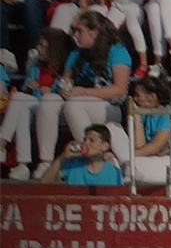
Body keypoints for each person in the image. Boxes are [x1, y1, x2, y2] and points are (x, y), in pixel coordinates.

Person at [35, 10, 133, 167]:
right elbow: (65, 79)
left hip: (108, 106)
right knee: (48, 100)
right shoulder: (76, 52)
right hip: (76, 103)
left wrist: (83, 91)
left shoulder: (117, 50)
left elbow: (119, 89)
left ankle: (93, 155)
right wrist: (65, 88)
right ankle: (45, 162)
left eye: (79, 31)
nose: (75, 34)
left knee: (73, 104)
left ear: (94, 32)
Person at [2, 29, 70, 178]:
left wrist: (45, 91)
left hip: (54, 109)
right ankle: (23, 164)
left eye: (42, 45)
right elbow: (27, 89)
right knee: (20, 103)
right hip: (34, 105)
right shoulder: (36, 66)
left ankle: (2, 144)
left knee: (21, 101)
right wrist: (29, 86)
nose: (38, 48)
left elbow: (62, 92)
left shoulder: (63, 69)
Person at [125, 73, 171, 187]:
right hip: (148, 159)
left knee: (125, 166)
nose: (135, 99)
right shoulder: (145, 114)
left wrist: (126, 156)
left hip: (169, 163)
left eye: (137, 95)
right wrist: (136, 115)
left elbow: (155, 147)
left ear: (152, 96)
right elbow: (140, 146)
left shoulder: (170, 112)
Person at [42, 123, 122, 186]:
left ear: (104, 146)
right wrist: (62, 157)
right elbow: (45, 182)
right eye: (85, 139)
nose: (86, 143)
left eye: (91, 140)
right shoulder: (74, 164)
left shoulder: (113, 171)